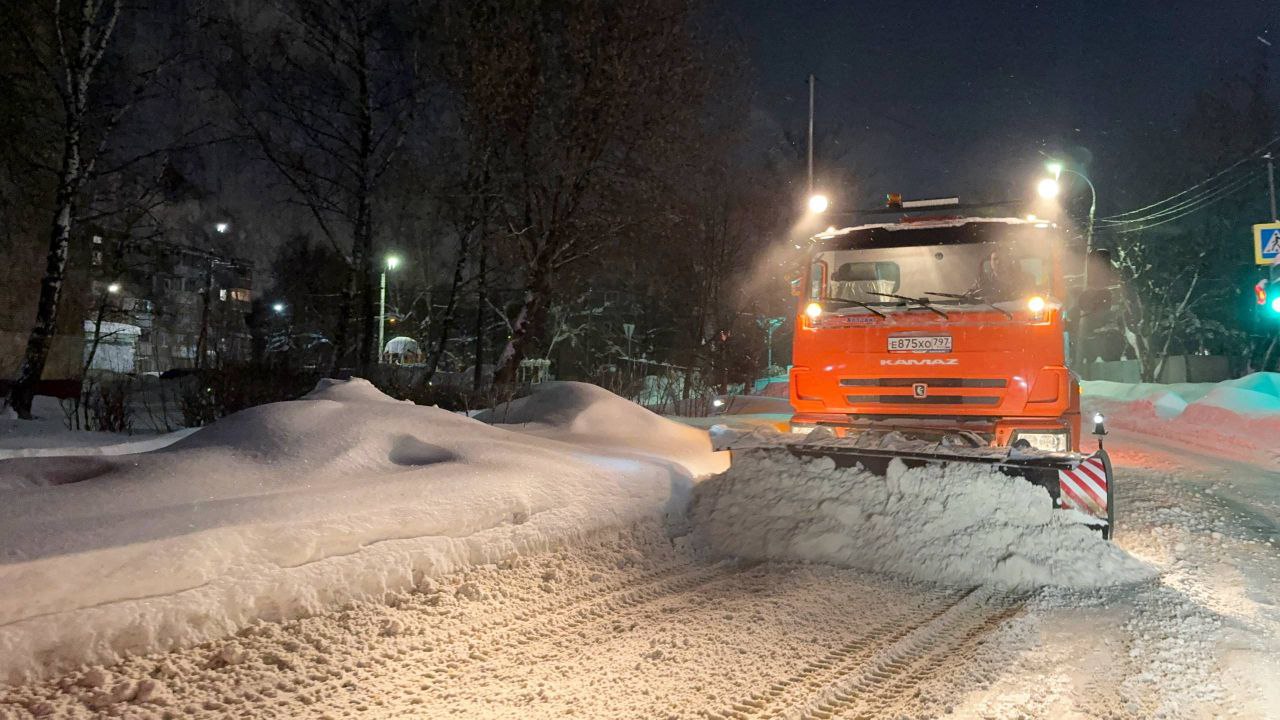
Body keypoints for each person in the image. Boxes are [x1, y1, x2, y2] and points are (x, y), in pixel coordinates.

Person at [973, 247, 1037, 301]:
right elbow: (971, 297)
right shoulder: (982, 282)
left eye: (1002, 259)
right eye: (995, 259)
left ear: (1008, 261)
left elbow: (1033, 298)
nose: (998, 262)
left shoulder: (1025, 280)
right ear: (991, 262)